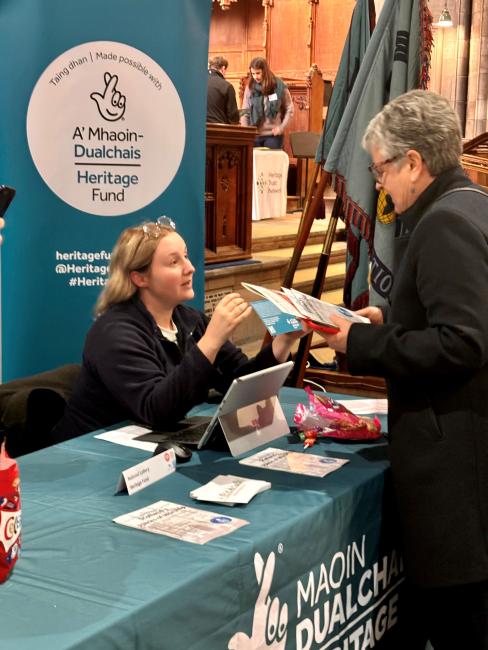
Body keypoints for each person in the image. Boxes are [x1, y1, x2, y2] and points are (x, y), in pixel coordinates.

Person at [319, 90, 488, 649]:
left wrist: (360, 341)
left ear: (414, 161)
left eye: (381, 169)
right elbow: (457, 306)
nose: (380, 186)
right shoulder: (473, 203)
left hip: (456, 472)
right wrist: (388, 314)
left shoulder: (443, 222)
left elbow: (463, 342)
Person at [53, 217, 307, 440]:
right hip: (95, 457)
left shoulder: (189, 320)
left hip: (155, 447)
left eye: (185, 256)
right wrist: (211, 341)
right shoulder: (115, 333)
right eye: (174, 262)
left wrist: (283, 342)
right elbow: (157, 411)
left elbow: (239, 382)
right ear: (139, 277)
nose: (190, 268)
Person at [240, 57, 293, 149]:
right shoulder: (250, 87)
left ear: (265, 71)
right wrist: (246, 131)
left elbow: (290, 109)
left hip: (273, 135)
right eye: (253, 73)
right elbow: (245, 111)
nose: (255, 77)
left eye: (258, 73)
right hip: (254, 135)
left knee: (270, 161)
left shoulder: (278, 86)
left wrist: (281, 128)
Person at [206, 55, 239, 125]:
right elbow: (233, 117)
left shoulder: (198, 82)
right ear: (223, 69)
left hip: (199, 129)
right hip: (219, 131)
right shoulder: (227, 86)